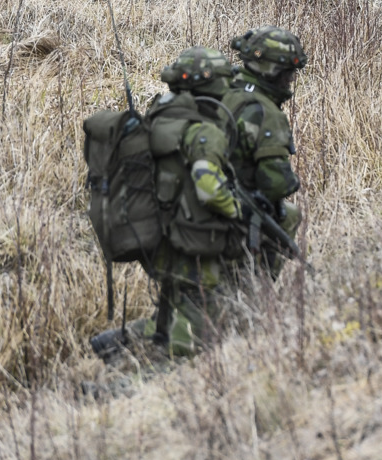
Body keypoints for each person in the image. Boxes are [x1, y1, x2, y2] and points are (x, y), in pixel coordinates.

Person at [90, 47, 245, 360]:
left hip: (156, 235)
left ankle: (112, 348)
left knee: (167, 316)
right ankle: (132, 386)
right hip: (192, 241)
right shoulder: (203, 132)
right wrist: (236, 210)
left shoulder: (158, 116)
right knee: (191, 343)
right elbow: (209, 188)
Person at [221, 26, 307, 274]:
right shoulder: (266, 114)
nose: (291, 79)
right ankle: (255, 288)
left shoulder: (223, 87)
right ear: (273, 71)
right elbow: (277, 185)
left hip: (192, 191)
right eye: (288, 72)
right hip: (229, 205)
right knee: (287, 215)